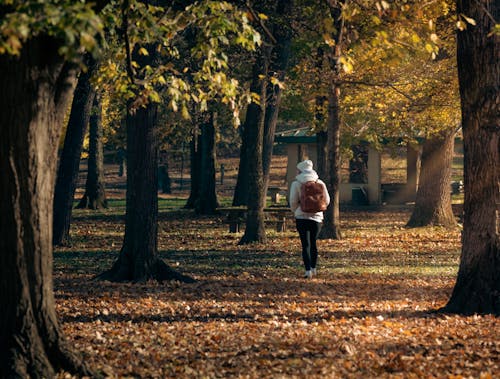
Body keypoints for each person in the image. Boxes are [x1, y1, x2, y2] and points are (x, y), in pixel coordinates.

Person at [289, 159, 330, 278]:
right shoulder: (320, 183)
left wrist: (297, 211)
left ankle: (307, 271)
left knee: (305, 244)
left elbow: (293, 201)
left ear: (300, 170)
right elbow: (326, 200)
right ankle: (314, 268)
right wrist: (318, 209)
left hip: (301, 217)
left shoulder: (296, 183)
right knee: (313, 243)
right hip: (317, 218)